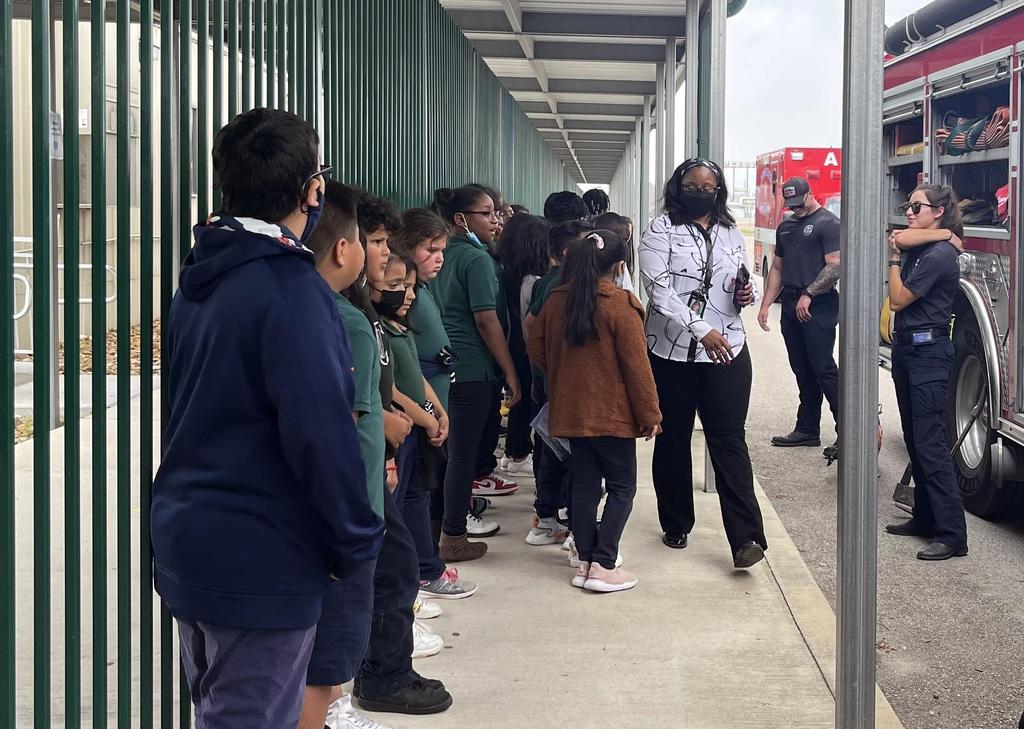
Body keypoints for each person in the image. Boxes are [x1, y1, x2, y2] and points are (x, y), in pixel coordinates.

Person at [151, 108, 384, 729]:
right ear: (312, 190)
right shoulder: (291, 289)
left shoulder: (201, 276)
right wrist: (355, 539)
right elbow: (322, 434)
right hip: (263, 553)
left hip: (192, 536)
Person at [301, 182, 451, 728]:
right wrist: (385, 425)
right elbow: (341, 409)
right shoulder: (334, 315)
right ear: (346, 245)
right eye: (379, 242)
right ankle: (355, 691)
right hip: (349, 491)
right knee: (368, 582)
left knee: (390, 568)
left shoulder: (351, 307)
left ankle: (371, 677)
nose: (388, 255)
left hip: (364, 476)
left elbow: (376, 384)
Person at [640, 158, 768, 568]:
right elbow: (659, 291)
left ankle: (747, 539)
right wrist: (700, 329)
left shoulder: (731, 231)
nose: (700, 192)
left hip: (727, 347)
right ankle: (676, 522)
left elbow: (738, 280)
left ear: (719, 190)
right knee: (673, 439)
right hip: (671, 351)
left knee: (729, 439)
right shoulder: (660, 229)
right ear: (678, 188)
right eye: (692, 186)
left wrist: (744, 293)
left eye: (708, 187)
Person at [528, 229, 662, 593]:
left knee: (584, 485)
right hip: (613, 416)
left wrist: (563, 377)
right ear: (620, 267)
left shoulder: (556, 301)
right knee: (621, 487)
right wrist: (650, 414)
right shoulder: (620, 305)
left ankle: (585, 561)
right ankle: (604, 563)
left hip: (571, 412)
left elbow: (535, 348)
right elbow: (637, 368)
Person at [390, 209, 481, 597]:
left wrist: (437, 413)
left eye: (442, 249)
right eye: (431, 249)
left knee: (417, 494)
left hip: (428, 410)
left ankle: (424, 569)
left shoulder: (421, 291)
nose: (439, 258)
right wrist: (427, 416)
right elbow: (396, 371)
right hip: (408, 419)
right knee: (404, 499)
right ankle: (413, 578)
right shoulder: (396, 301)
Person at [431, 185, 521, 561]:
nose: (495, 220)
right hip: (471, 368)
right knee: (463, 455)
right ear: (460, 219)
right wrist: (510, 371)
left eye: (496, 213)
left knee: (443, 454)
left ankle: (437, 527)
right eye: (486, 213)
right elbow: (486, 320)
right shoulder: (476, 259)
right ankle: (454, 535)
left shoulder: (436, 254)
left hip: (438, 367)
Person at [884, 185, 969, 561]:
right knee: (915, 440)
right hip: (909, 351)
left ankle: (952, 534)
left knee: (931, 444)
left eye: (916, 207)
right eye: (908, 205)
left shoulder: (938, 254)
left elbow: (898, 299)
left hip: (928, 355)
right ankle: (924, 518)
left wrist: (893, 261)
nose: (909, 211)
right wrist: (946, 232)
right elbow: (900, 236)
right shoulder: (929, 244)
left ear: (938, 211)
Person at [757, 176, 842, 459]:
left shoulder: (828, 224)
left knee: (823, 367)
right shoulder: (786, 227)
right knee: (801, 368)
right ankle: (807, 428)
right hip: (792, 303)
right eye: (791, 204)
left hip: (819, 303)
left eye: (799, 202)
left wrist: (810, 293)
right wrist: (766, 304)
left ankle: (847, 431)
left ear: (810, 193)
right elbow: (777, 268)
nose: (796, 208)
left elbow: (835, 266)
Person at [522, 220, 594, 548]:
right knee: (572, 455)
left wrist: (544, 369)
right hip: (565, 386)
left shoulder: (548, 282)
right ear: (569, 253)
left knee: (550, 449)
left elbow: (530, 330)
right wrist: (555, 370)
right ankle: (570, 522)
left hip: (550, 382)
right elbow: (533, 328)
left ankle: (547, 517)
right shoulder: (564, 286)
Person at [497, 213, 553, 476]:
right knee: (528, 401)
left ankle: (514, 452)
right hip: (527, 351)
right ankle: (519, 453)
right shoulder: (533, 281)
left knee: (519, 401)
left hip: (512, 347)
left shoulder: (507, 274)